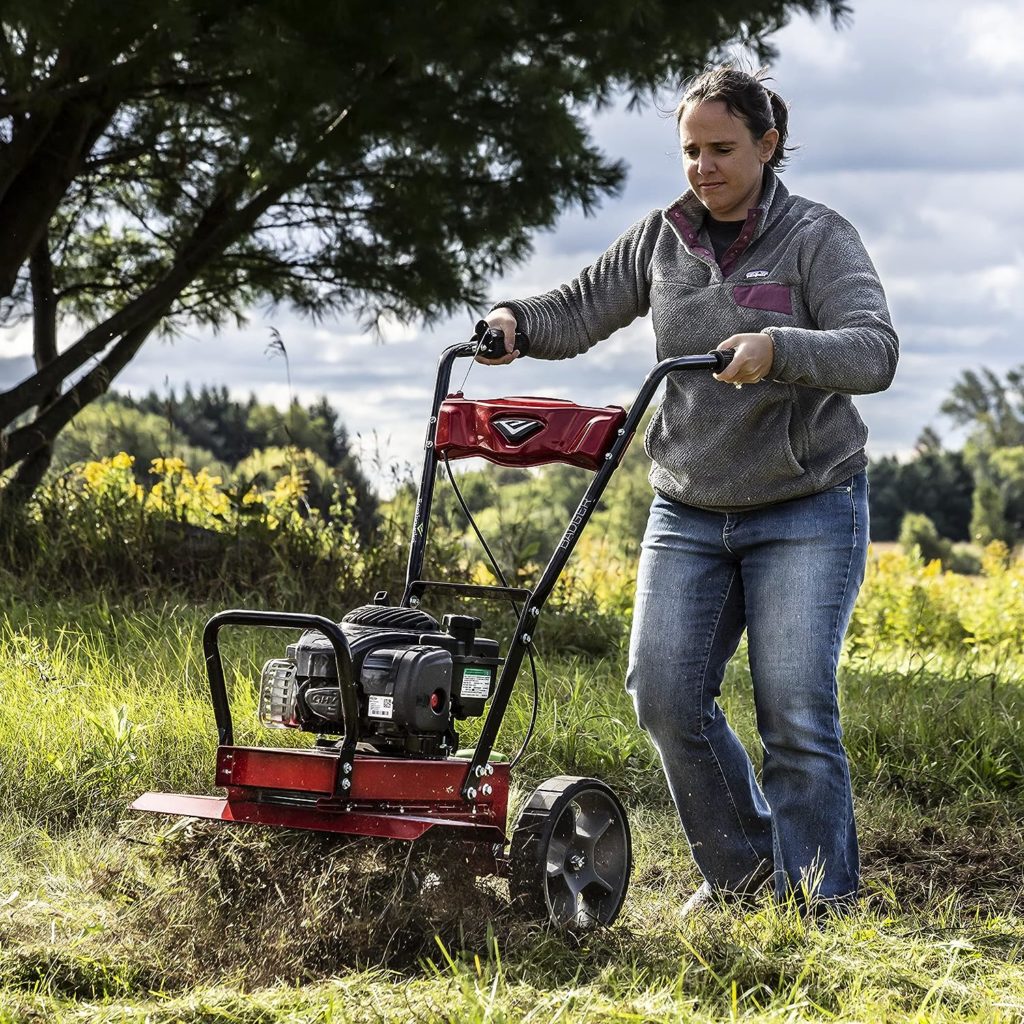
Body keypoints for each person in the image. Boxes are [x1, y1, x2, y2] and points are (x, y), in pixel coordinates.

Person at [477, 65, 898, 913]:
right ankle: (745, 878)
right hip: (690, 507)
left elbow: (873, 350)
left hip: (806, 503)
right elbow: (585, 303)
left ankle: (823, 904)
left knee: (794, 714)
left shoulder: (818, 237)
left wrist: (779, 348)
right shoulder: (663, 237)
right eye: (690, 151)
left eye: (722, 148)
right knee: (664, 694)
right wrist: (517, 323)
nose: (703, 166)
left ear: (768, 146)